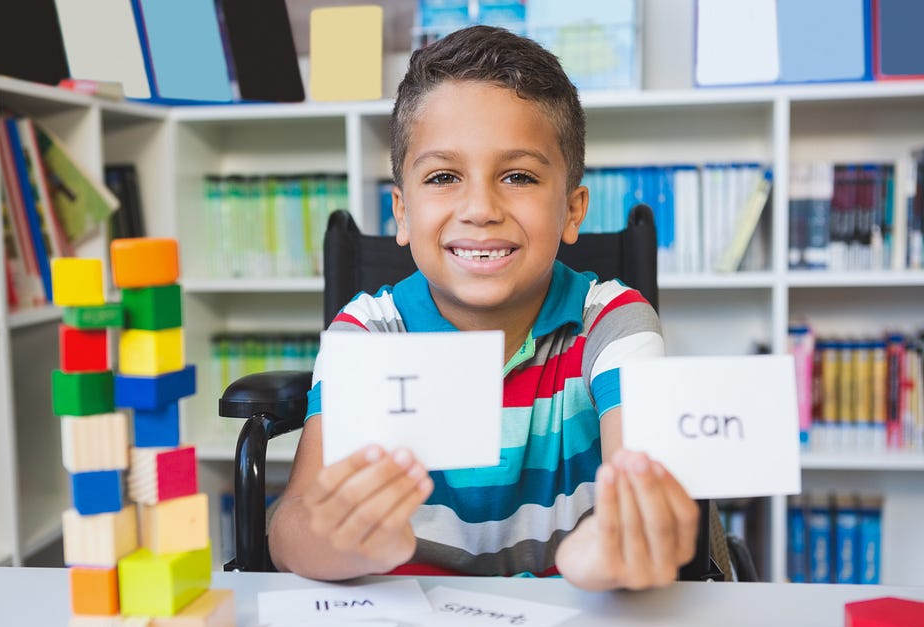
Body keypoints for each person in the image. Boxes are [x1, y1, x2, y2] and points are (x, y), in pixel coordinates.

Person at [268, 25, 699, 591]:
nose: (480, 208)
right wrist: (334, 542)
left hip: (582, 618)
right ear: (401, 211)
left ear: (572, 210)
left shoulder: (614, 324)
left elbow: (647, 496)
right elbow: (290, 529)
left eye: (517, 176)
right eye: (444, 176)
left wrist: (617, 546)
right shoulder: (367, 335)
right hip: (404, 626)